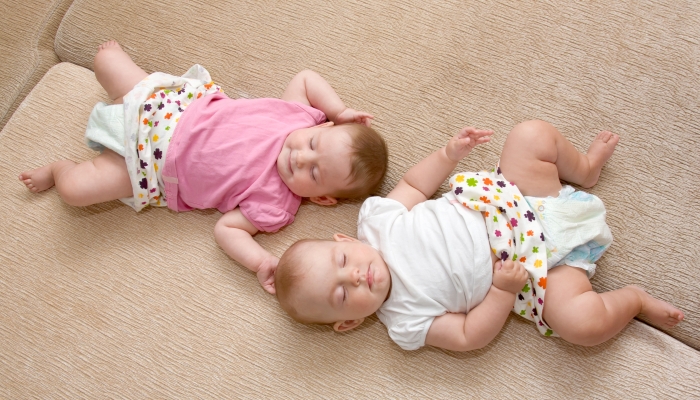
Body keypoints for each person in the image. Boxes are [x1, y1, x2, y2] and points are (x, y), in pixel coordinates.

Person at [273, 120, 684, 351]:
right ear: (349, 322)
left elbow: (415, 186)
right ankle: (634, 300)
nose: (355, 277)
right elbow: (469, 336)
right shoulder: (405, 321)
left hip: (518, 197)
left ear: (346, 241)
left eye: (343, 263)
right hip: (539, 271)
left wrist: (447, 155)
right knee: (581, 326)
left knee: (529, 135)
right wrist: (503, 293)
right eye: (343, 295)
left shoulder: (376, 221)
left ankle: (584, 169)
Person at [19, 41, 388, 293]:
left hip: (148, 169)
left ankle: (60, 168)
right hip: (166, 107)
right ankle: (119, 81)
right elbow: (307, 77)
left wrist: (259, 262)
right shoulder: (295, 116)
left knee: (75, 192)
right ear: (319, 126)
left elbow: (228, 230)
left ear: (322, 199)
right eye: (312, 144)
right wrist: (339, 110)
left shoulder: (274, 205)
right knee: (105, 61)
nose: (300, 157)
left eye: (314, 173)